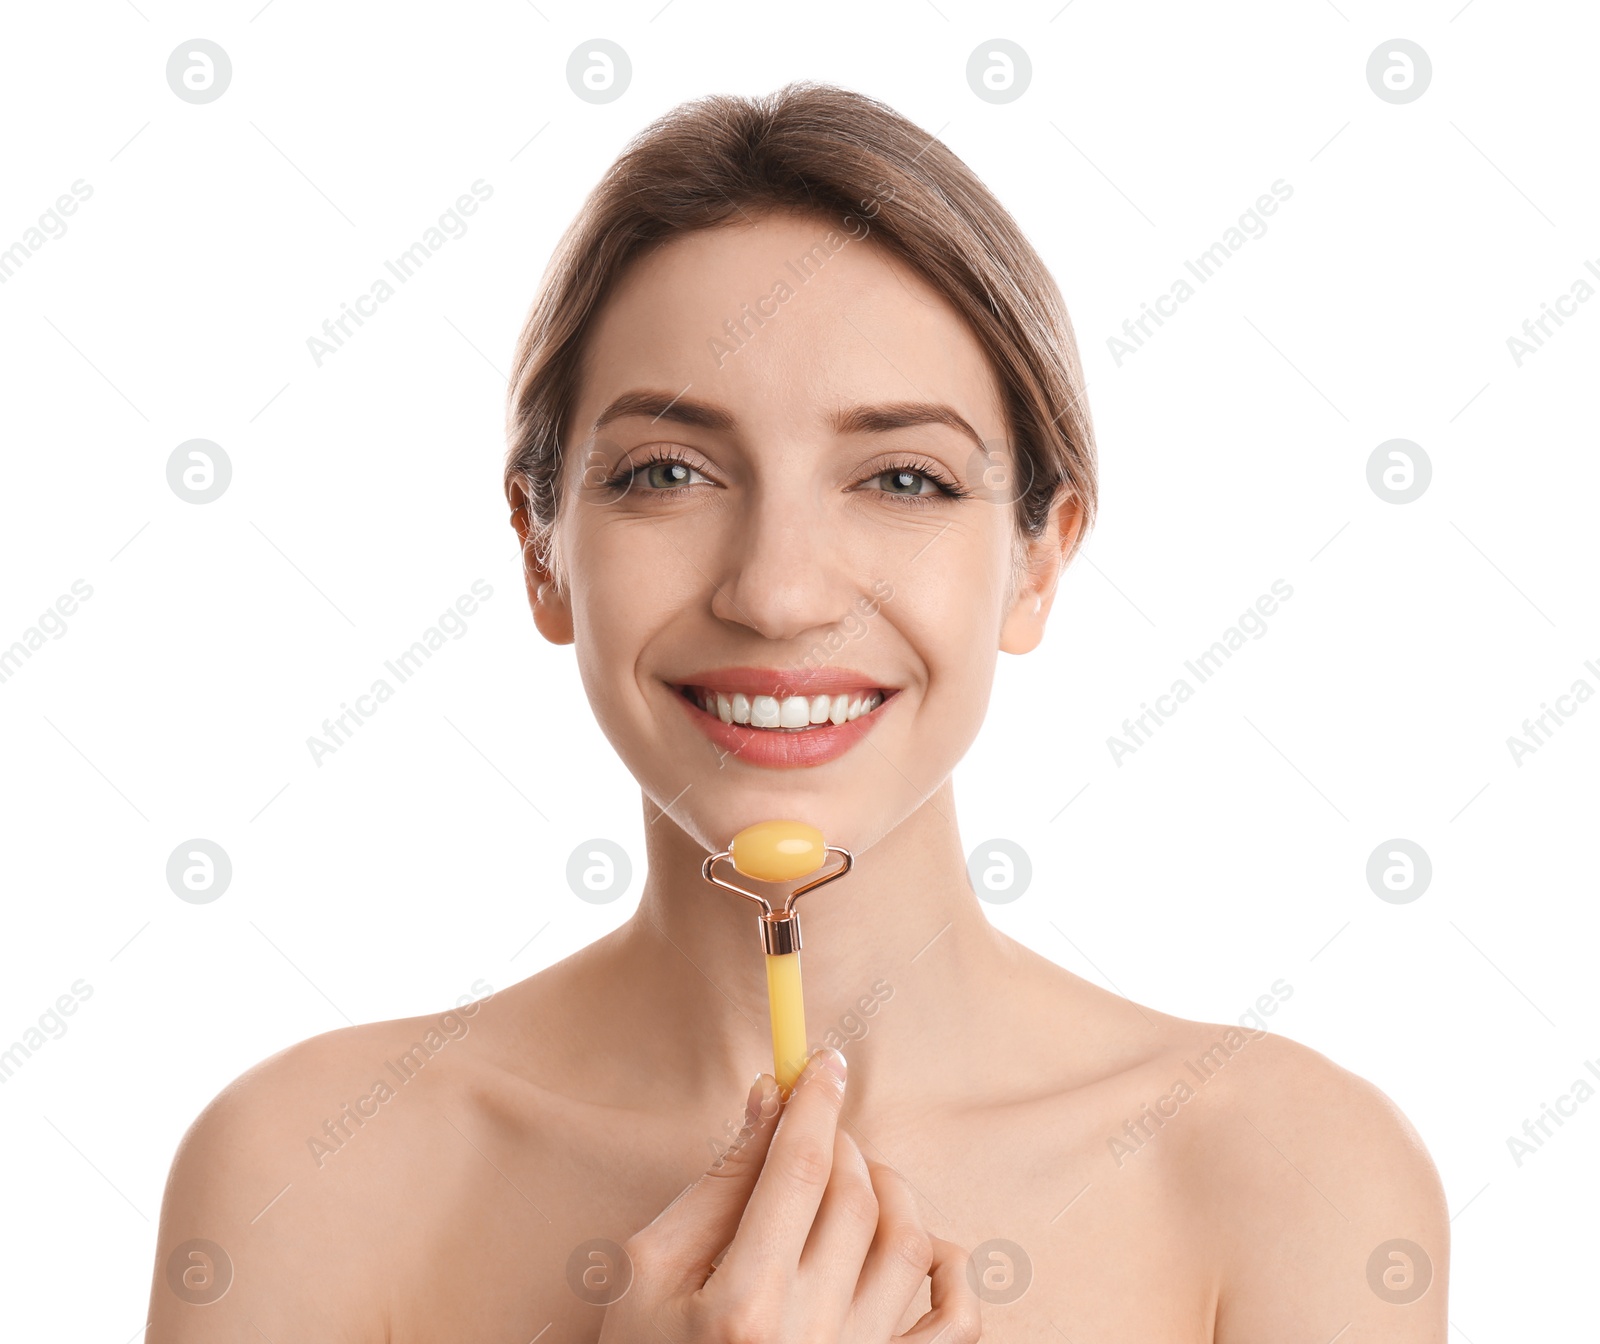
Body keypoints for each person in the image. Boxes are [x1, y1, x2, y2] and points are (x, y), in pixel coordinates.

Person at [146, 82, 1447, 1341]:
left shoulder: (1294, 1184)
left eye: (900, 477)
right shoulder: (301, 1182)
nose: (775, 592)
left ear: (1040, 557)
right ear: (543, 548)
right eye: (667, 470)